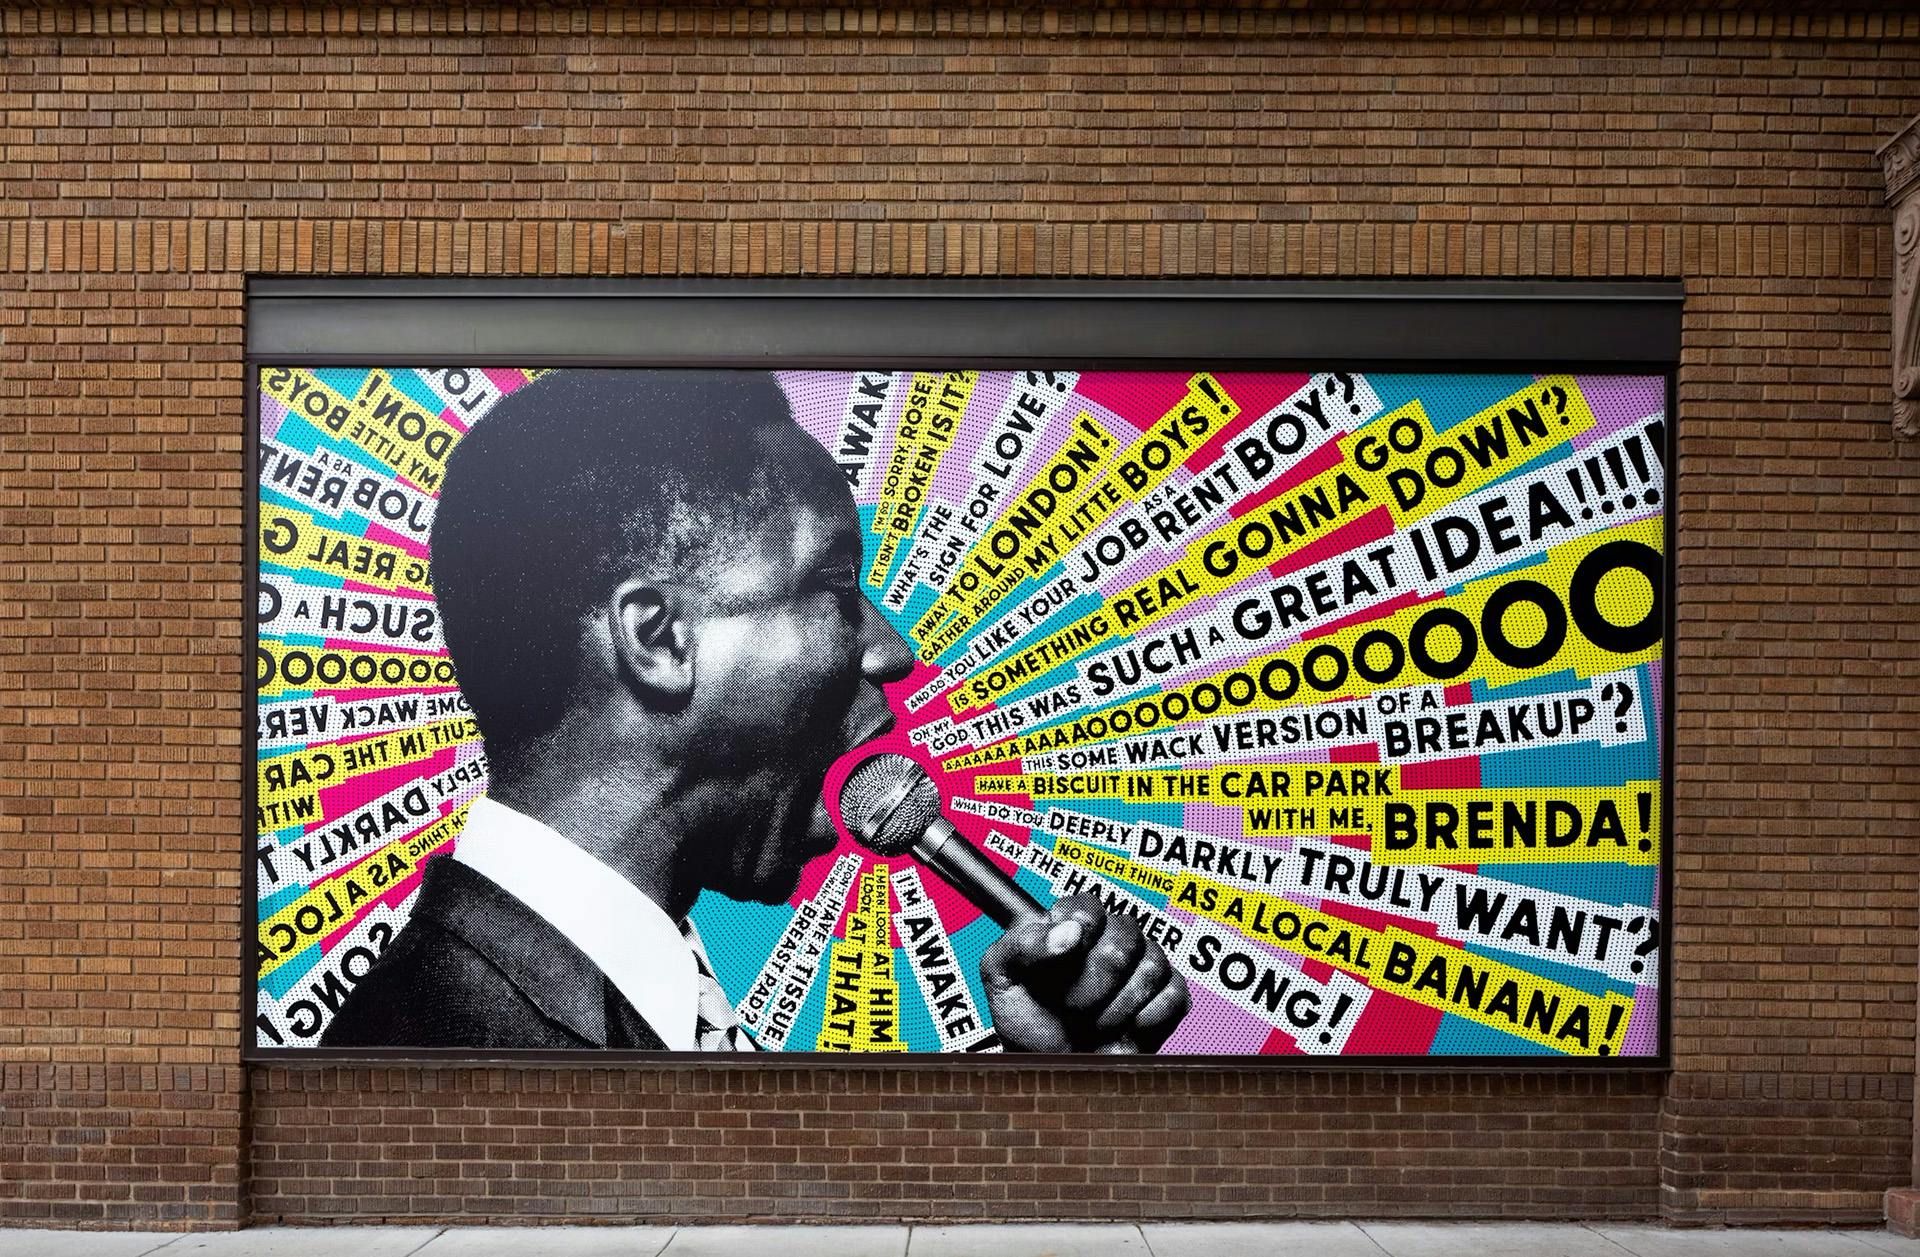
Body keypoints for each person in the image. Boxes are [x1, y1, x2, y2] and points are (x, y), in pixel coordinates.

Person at [322, 370, 1189, 1053]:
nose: (891, 651)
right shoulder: (442, 1057)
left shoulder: (591, 1012)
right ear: (659, 639)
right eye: (835, 583)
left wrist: (1058, 1093)